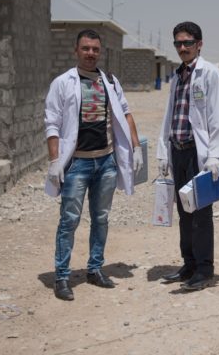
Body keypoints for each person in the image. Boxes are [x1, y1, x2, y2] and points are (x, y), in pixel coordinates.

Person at [44, 29, 144, 301]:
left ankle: (95, 268)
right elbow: (52, 123)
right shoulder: (62, 83)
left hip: (106, 162)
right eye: (85, 48)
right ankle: (62, 276)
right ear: (76, 50)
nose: (90, 53)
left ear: (100, 52)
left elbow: (125, 113)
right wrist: (55, 161)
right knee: (69, 220)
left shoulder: (109, 81)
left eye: (95, 49)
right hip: (77, 164)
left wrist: (135, 147)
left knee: (101, 218)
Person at [157, 21, 219, 291]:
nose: (183, 47)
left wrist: (215, 155)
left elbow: (218, 116)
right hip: (177, 151)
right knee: (183, 210)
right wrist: (163, 152)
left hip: (198, 154)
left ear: (199, 44)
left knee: (200, 211)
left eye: (188, 42)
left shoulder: (210, 74)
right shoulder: (177, 76)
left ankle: (204, 269)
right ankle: (188, 264)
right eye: (178, 43)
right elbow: (169, 115)